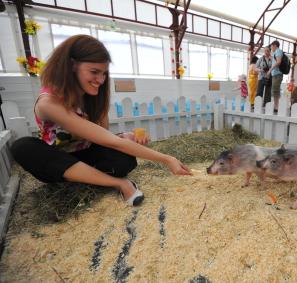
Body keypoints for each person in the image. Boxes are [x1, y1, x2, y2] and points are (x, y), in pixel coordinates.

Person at [11, 35, 192, 207]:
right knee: (23, 147)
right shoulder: (49, 103)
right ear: (72, 65)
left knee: (125, 159)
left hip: (86, 152)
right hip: (60, 161)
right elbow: (109, 140)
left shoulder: (91, 96)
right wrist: (167, 159)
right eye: (94, 72)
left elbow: (103, 137)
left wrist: (126, 136)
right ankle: (119, 183)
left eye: (104, 73)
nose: (100, 80)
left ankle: (89, 180)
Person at [267, 40, 284, 113]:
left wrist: (270, 70)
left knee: (275, 90)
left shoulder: (278, 51)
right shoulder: (276, 52)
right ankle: (276, 106)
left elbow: (278, 61)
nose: (271, 48)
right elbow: (276, 60)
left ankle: (276, 106)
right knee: (275, 90)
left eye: (271, 46)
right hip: (276, 74)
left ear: (274, 45)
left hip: (277, 74)